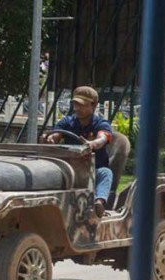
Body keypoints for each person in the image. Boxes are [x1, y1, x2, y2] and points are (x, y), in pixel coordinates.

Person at [41, 86, 113, 218]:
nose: (76, 108)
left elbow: (103, 138)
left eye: (81, 105)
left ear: (94, 105)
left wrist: (92, 144)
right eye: (75, 104)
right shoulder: (67, 122)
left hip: (92, 171)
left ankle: (99, 203)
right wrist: (50, 139)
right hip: (68, 170)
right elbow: (56, 134)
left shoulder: (101, 124)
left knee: (105, 172)